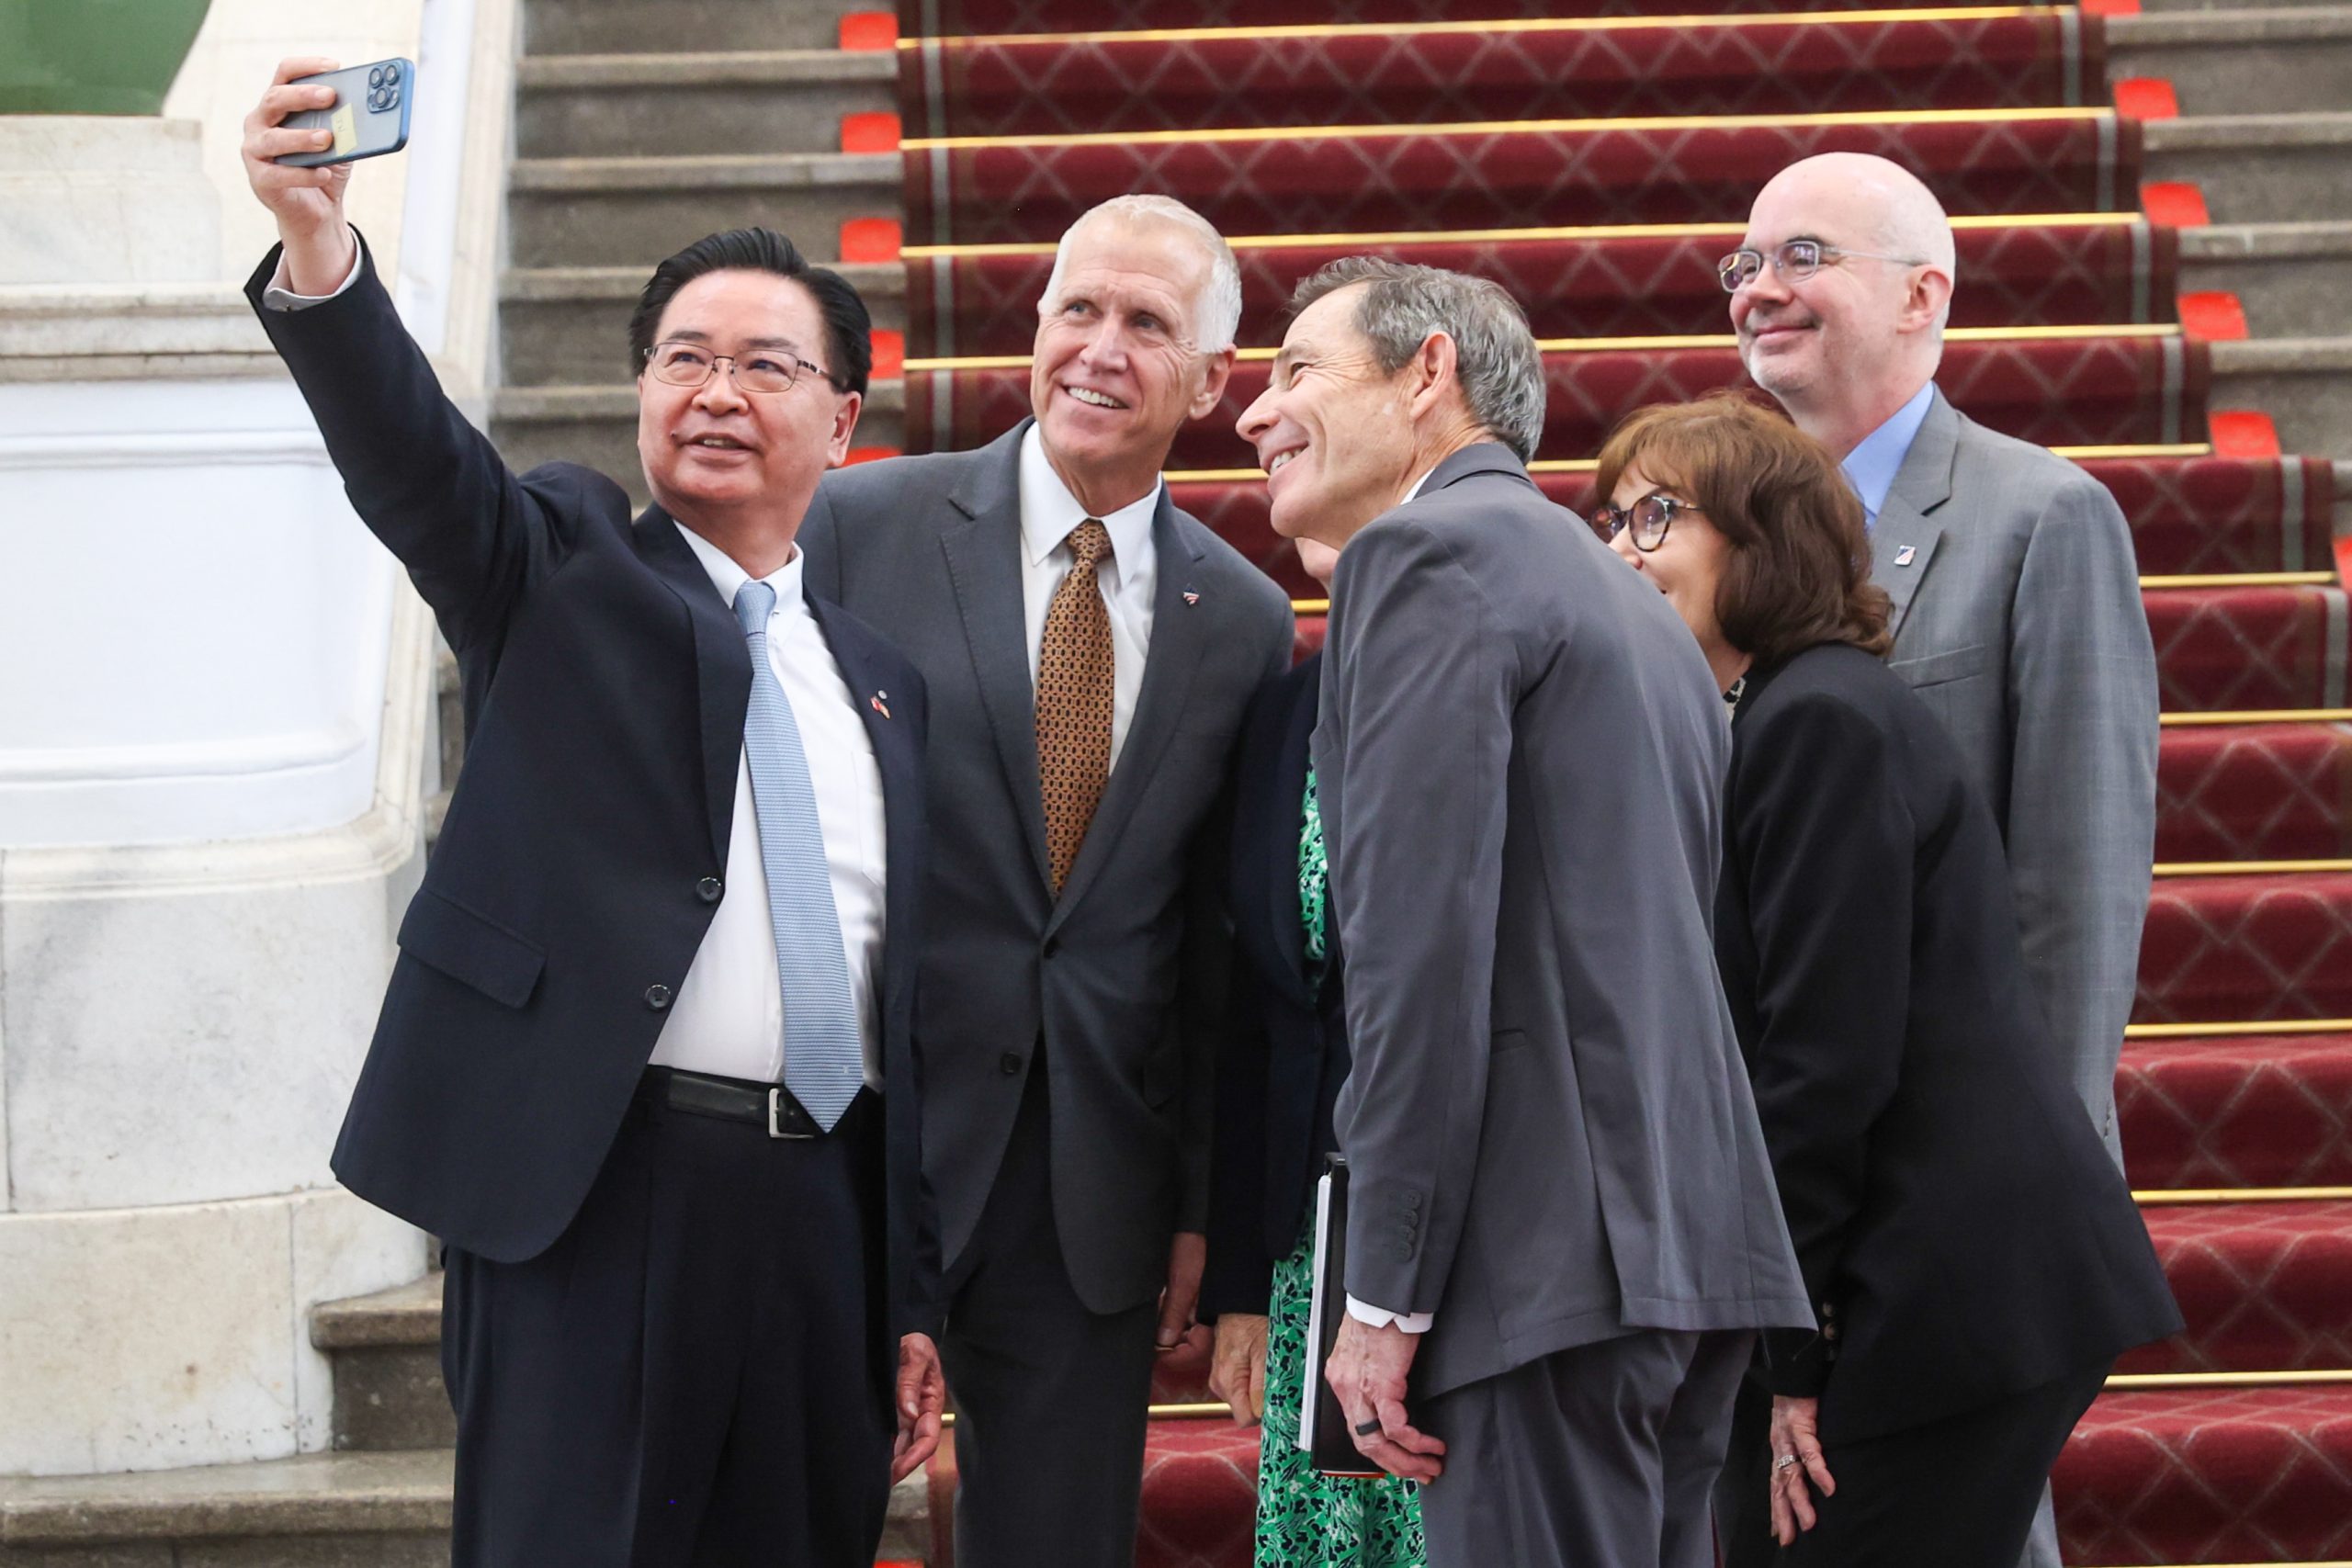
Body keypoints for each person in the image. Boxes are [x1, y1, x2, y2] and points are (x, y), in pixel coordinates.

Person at [238, 59, 944, 1568]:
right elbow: (416, 464)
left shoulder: (884, 685)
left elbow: (909, 1002)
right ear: (639, 393)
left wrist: (912, 1290)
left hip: (824, 1212)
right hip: (598, 1200)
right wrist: (319, 245)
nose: (716, 392)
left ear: (842, 420)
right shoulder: (560, 566)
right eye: (684, 358)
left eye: (764, 365)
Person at [1234, 256, 1811, 1568]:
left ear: (1426, 373)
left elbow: (1415, 951)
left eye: (1298, 370)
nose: (1256, 413)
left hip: (1544, 1261)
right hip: (1683, 1243)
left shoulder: (1422, 555)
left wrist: (1383, 1291)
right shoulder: (1626, 594)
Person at [1596, 394, 2182, 1568]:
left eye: (1657, 516)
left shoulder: (1818, 721)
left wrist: (1791, 1363)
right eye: (1609, 519)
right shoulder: (1777, 712)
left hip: (1948, 1286)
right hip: (1904, 1273)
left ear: (1760, 538)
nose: (1621, 551)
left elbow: (1824, 1065)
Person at [796, 194, 1295, 1566]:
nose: (1100, 349)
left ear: (1212, 381)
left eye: (1147, 324)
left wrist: (1200, 1206)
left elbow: (1213, 943)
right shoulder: (857, 524)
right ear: (1035, 325)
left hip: (1090, 1184)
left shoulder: (1243, 618)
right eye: (1078, 308)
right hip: (860, 1138)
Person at [1201, 536, 1426, 1568]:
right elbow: (1261, 1009)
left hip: (1474, 1249)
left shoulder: (1506, 679)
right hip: (1314, 1249)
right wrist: (1243, 1282)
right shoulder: (1287, 707)